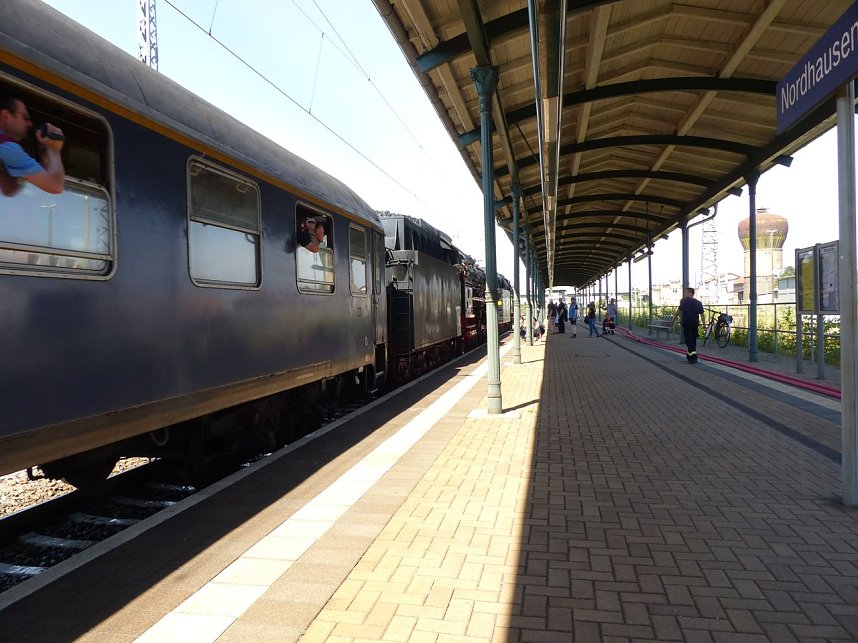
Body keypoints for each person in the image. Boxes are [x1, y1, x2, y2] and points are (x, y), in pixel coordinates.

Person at [0, 94, 65, 196]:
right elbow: (56, 186)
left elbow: (9, 191)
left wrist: (42, 153)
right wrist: (53, 149)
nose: (29, 124)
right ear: (6, 116)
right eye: (25, 117)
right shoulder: (7, 146)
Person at [672, 286, 705, 363]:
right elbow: (702, 314)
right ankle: (690, 357)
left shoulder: (684, 301)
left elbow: (678, 311)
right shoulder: (698, 303)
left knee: (688, 341)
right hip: (695, 324)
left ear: (690, 293)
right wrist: (704, 324)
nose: (684, 294)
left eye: (685, 292)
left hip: (687, 323)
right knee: (693, 340)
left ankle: (693, 357)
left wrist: (673, 320)